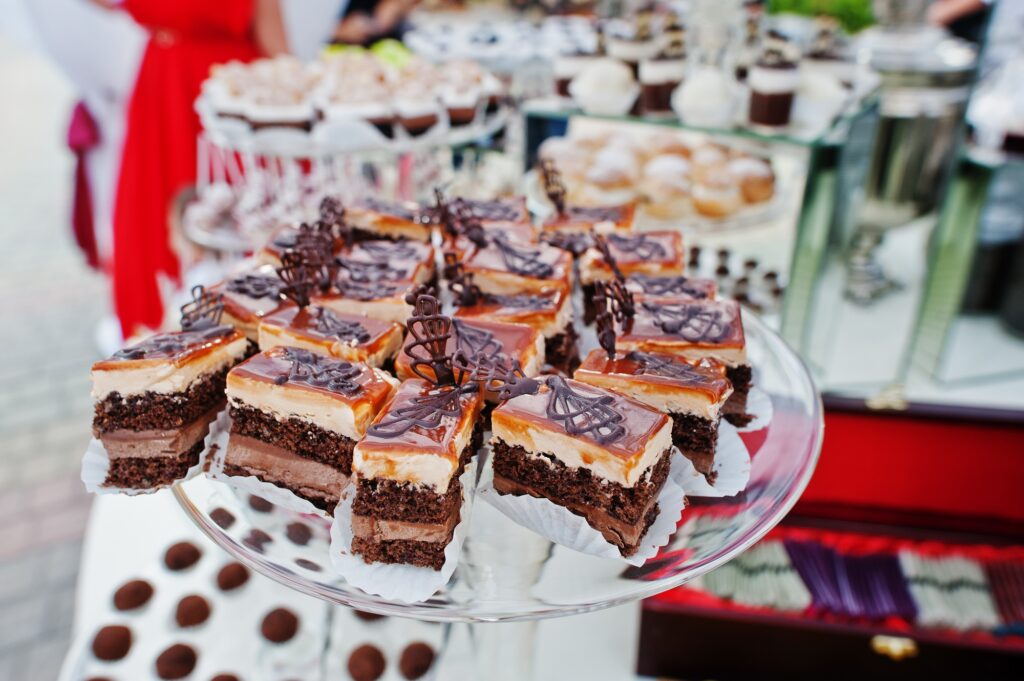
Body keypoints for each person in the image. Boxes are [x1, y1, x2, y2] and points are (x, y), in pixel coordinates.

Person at [91, 0, 289, 337]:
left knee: (242, 215)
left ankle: (246, 327)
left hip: (227, 88)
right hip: (172, 87)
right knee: (183, 210)